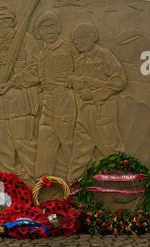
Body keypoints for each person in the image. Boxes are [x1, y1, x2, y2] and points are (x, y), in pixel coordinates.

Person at [66, 21, 127, 179]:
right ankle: (71, 192)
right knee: (79, 155)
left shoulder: (104, 55)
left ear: (92, 38)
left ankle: (123, 188)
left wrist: (95, 95)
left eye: (80, 38)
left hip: (102, 111)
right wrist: (74, 81)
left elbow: (119, 80)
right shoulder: (80, 60)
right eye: (75, 40)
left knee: (112, 150)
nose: (76, 42)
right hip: (84, 112)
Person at [0, 5, 40, 177]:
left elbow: (37, 69)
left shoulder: (26, 40)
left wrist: (13, 82)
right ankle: (7, 190)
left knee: (24, 145)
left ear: (9, 22)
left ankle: (40, 185)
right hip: (1, 107)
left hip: (21, 103)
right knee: (4, 150)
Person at [31, 10, 76, 178]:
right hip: (48, 101)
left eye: (51, 27)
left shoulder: (68, 48)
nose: (48, 31)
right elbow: (37, 77)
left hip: (65, 100)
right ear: (39, 33)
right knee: (45, 140)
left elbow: (80, 70)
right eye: (44, 29)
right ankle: (41, 185)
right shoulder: (41, 54)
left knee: (68, 142)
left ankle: (76, 183)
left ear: (58, 28)